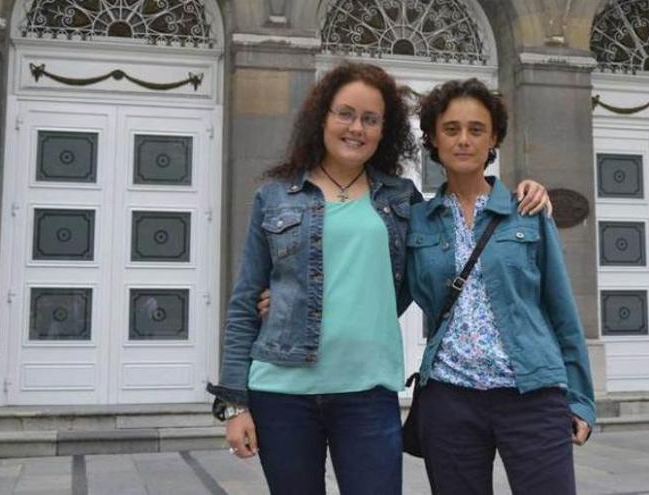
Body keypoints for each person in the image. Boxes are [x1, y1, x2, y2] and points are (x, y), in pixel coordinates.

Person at [206, 62, 551, 495]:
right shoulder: (275, 196)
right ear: (322, 118)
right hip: (283, 390)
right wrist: (235, 403)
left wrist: (526, 190)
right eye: (345, 114)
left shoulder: (402, 199)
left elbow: (442, 258)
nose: (357, 128)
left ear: (384, 130)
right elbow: (243, 304)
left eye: (371, 119)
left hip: (367, 392)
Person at [406, 78, 595, 495]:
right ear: (434, 138)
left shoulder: (527, 210)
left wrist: (580, 397)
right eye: (451, 129)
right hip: (450, 397)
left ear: (493, 138)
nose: (463, 140)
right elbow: (383, 294)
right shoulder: (416, 221)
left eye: (476, 129)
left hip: (531, 393)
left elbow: (560, 308)